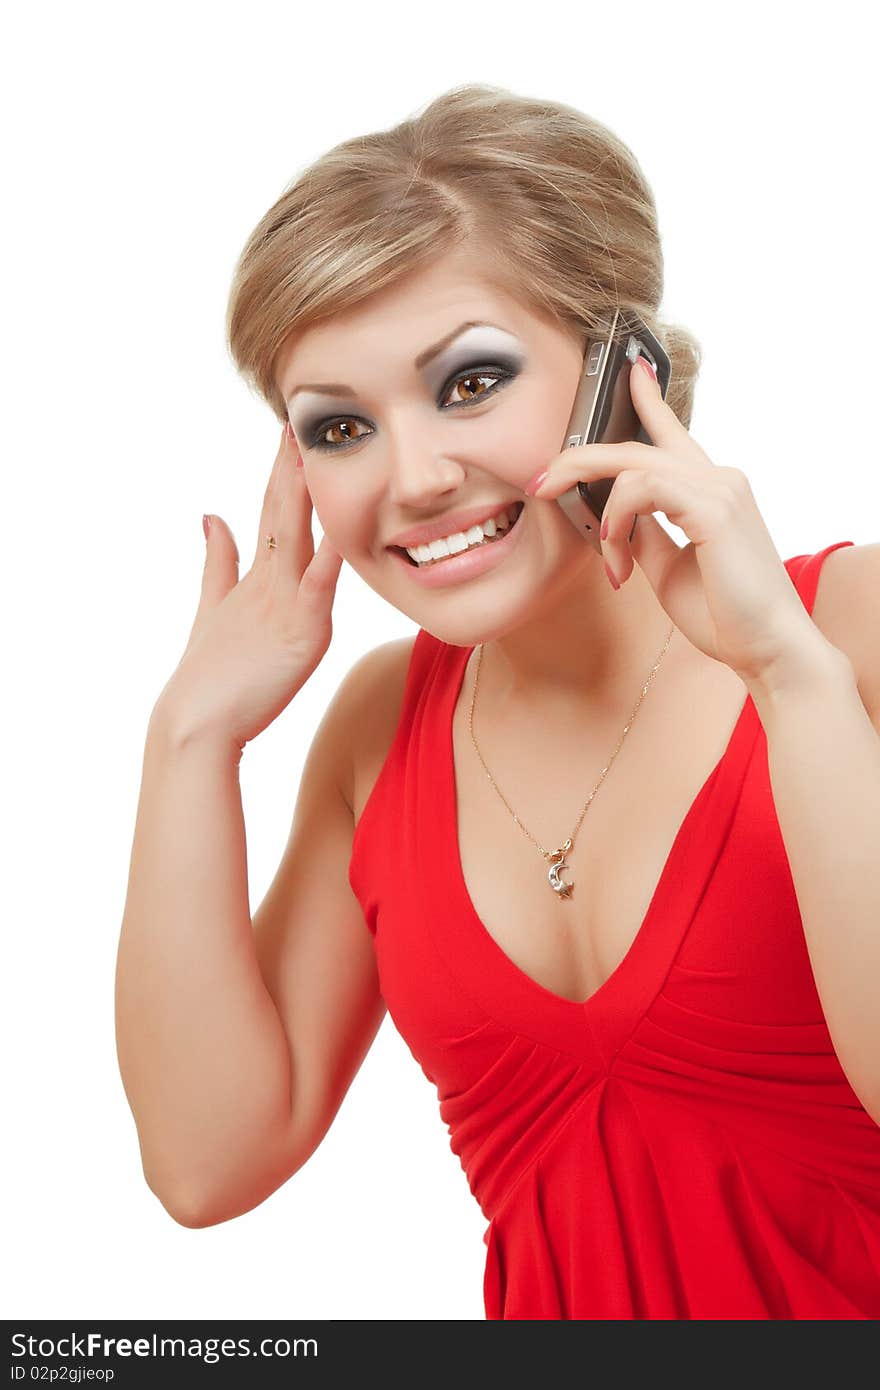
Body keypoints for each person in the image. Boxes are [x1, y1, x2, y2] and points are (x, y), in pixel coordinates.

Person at [115, 82, 880, 1319]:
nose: (412, 477)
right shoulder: (378, 732)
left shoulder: (847, 630)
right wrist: (187, 740)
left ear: (621, 367)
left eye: (469, 383)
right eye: (341, 426)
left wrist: (788, 676)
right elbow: (206, 1165)